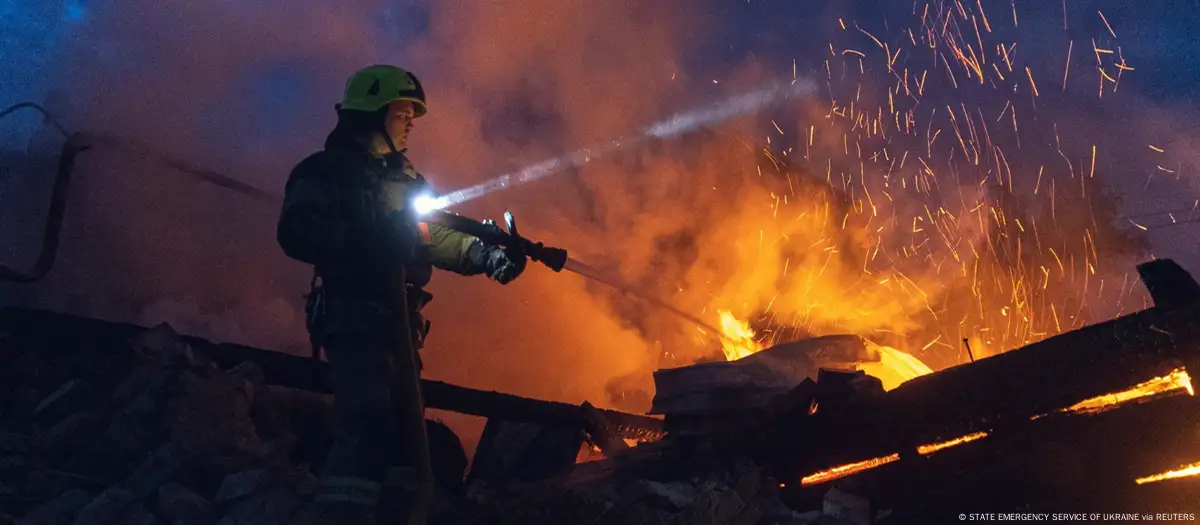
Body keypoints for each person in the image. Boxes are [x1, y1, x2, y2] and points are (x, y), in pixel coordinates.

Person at [277, 64, 527, 525]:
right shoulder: (324, 172)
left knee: (407, 437)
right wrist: (370, 239)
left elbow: (435, 238)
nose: (411, 122)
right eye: (402, 113)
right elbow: (296, 230)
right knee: (367, 424)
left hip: (400, 325)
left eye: (413, 115)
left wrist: (489, 256)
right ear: (372, 113)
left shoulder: (407, 182)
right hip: (354, 318)